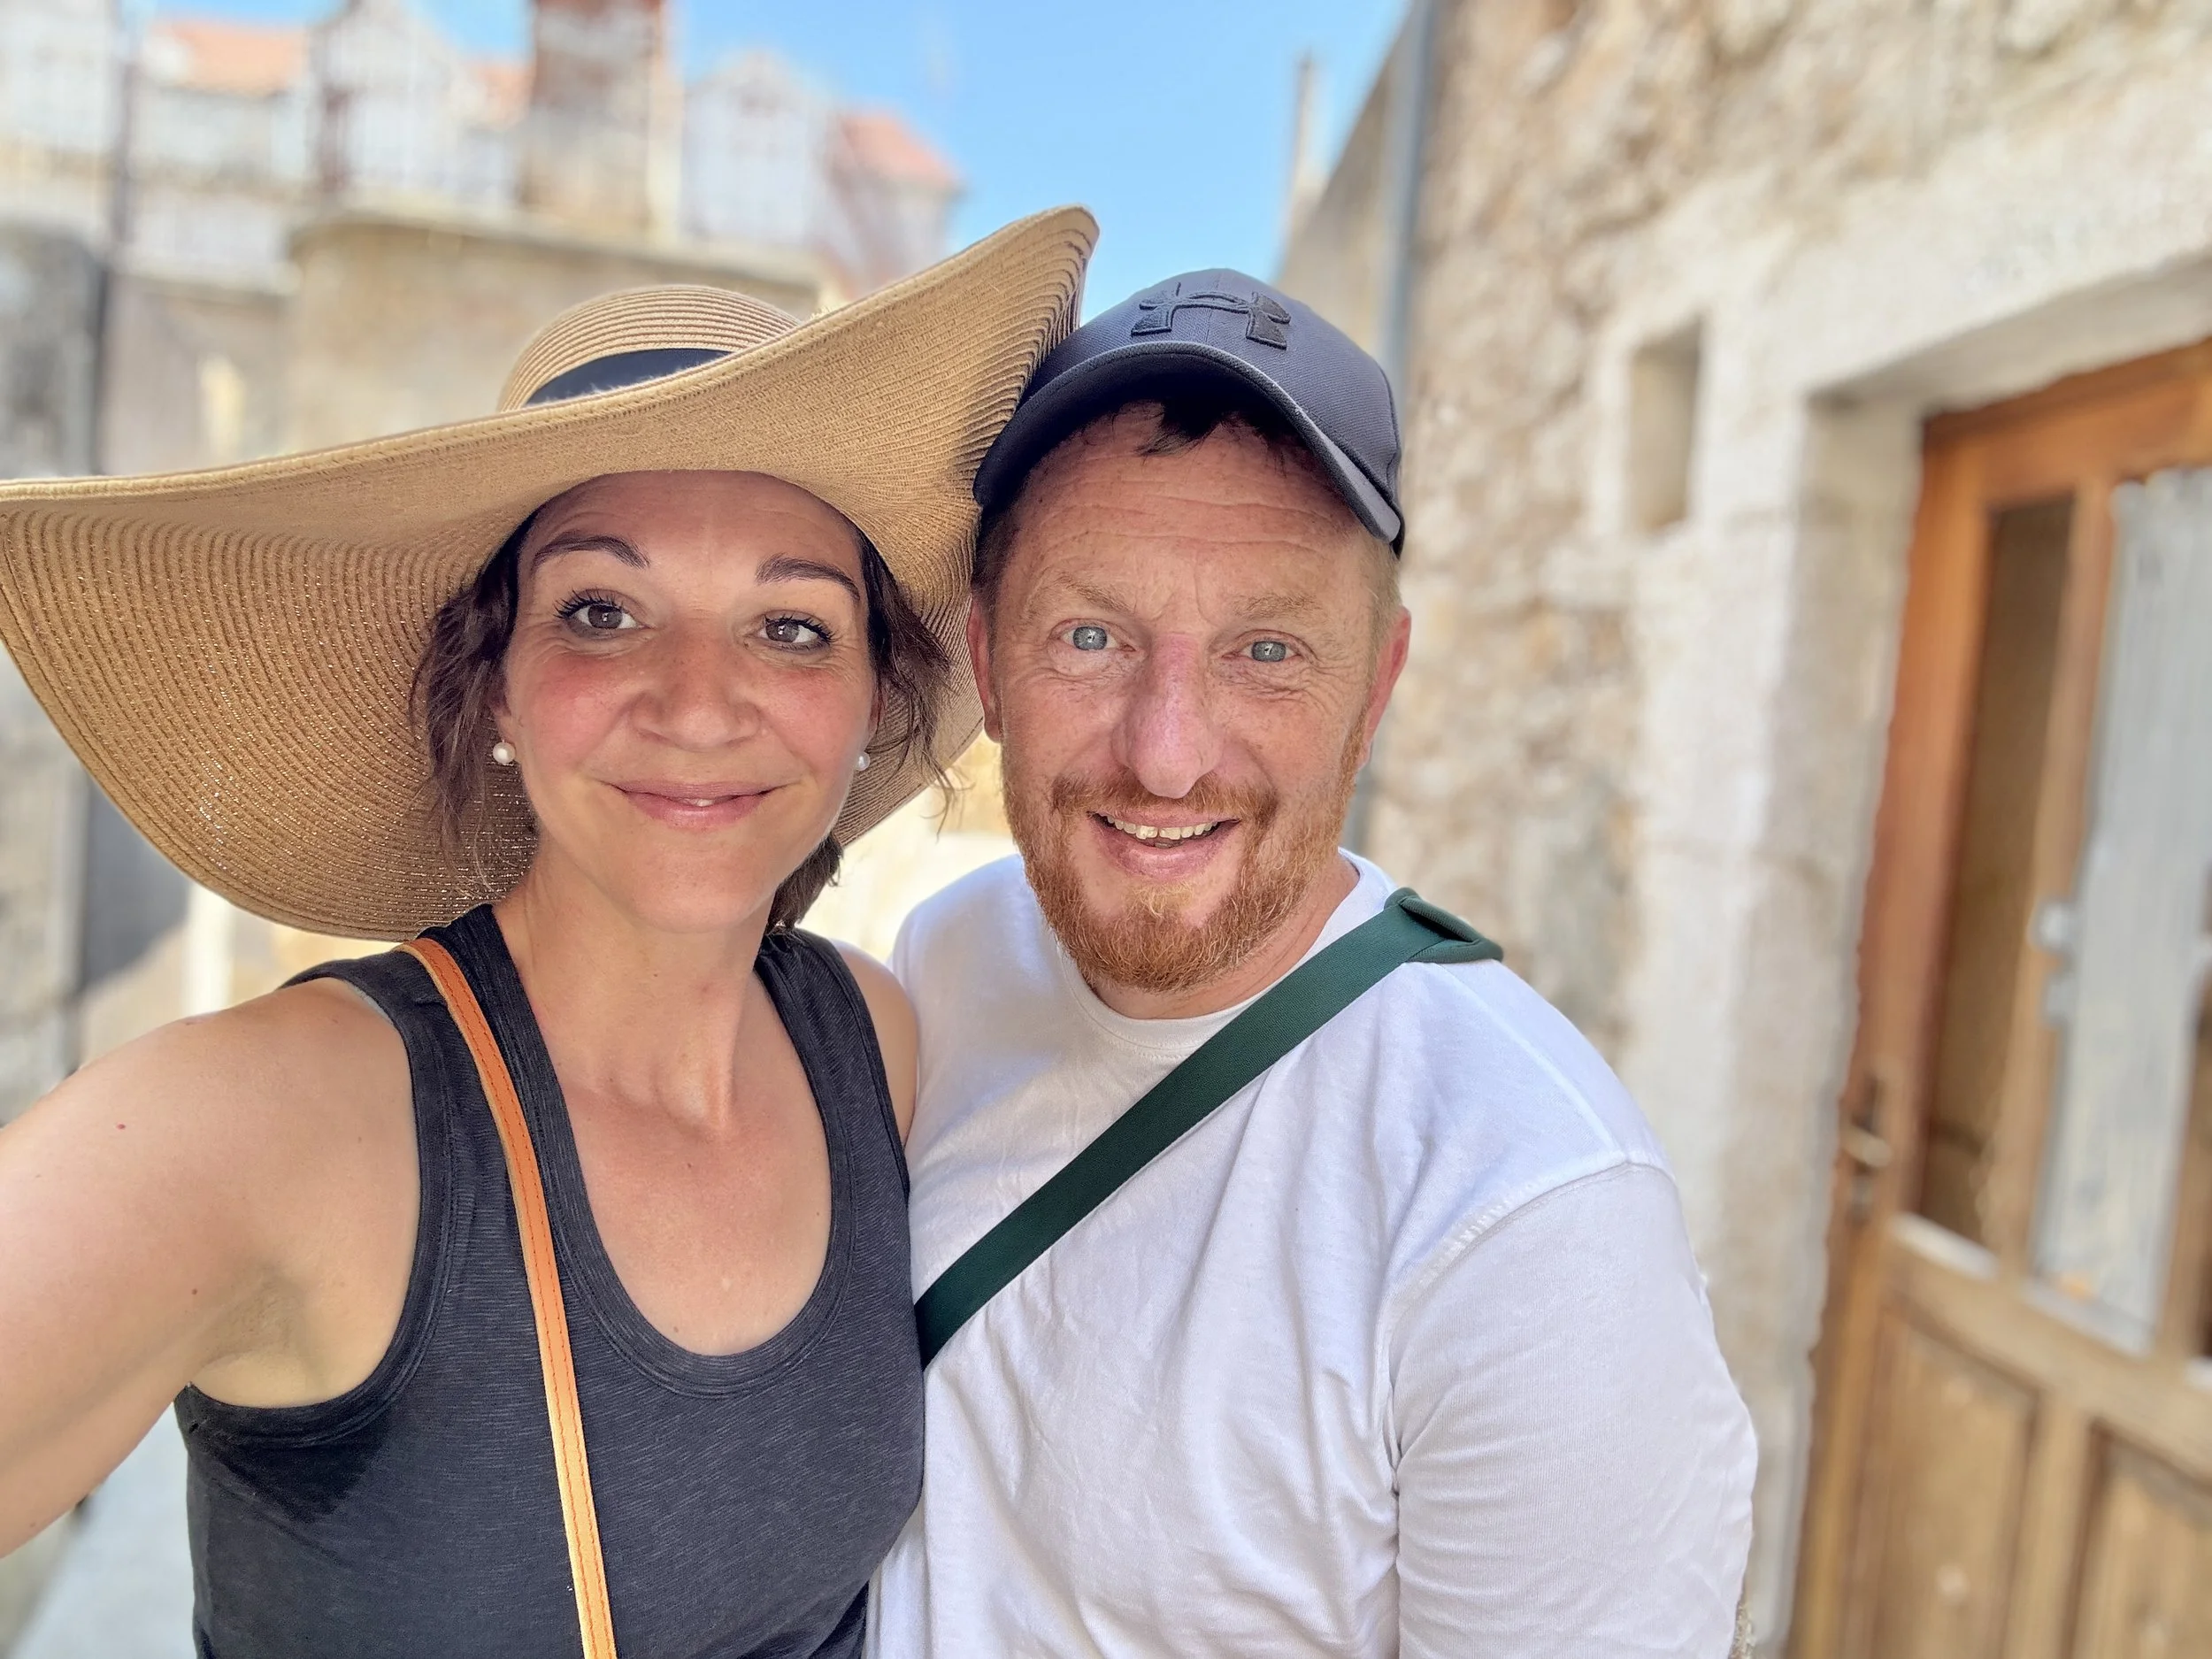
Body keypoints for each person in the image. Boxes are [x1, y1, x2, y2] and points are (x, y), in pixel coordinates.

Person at [0, 208, 1093, 1657]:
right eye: (600, 608)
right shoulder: (286, 1123)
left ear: (870, 701)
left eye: (792, 626)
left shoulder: (873, 1045)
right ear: (497, 686)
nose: (700, 702)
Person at [870, 272, 1757, 1656]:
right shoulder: (952, 953)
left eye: (1266, 650)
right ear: (987, 660)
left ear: (1375, 689)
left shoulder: (1528, 1216)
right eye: (1090, 636)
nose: (1165, 751)